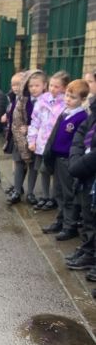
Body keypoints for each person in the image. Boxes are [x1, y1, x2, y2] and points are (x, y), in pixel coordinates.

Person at [42, 79, 89, 240]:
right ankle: (60, 221)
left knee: (69, 194)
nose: (68, 99)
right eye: (67, 95)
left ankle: (70, 226)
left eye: (73, 97)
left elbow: (79, 142)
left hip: (68, 160)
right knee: (58, 192)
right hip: (57, 158)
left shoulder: (82, 117)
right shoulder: (65, 113)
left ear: (83, 100)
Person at [28, 70, 69, 210]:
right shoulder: (42, 100)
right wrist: (32, 140)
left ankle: (54, 198)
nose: (52, 89)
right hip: (42, 143)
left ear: (64, 87)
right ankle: (45, 196)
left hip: (56, 144)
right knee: (43, 170)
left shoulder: (66, 103)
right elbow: (35, 121)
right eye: (51, 85)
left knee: (56, 173)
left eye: (57, 86)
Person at [68, 92, 96, 278]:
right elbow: (81, 133)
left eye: (91, 81)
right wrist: (77, 159)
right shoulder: (93, 109)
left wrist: (79, 164)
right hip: (85, 169)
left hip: (90, 168)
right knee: (87, 214)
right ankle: (88, 251)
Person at [9, 70, 46, 204]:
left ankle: (30, 193)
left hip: (37, 139)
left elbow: (47, 122)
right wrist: (21, 132)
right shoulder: (23, 100)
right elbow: (16, 118)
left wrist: (30, 128)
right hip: (21, 138)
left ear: (44, 85)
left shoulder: (47, 102)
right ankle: (17, 191)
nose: (33, 89)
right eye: (31, 86)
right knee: (19, 163)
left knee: (33, 166)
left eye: (36, 86)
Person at [2, 72, 24, 194]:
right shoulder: (12, 96)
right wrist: (6, 115)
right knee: (15, 160)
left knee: (20, 161)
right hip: (11, 132)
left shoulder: (24, 98)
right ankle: (16, 184)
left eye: (18, 84)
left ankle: (18, 186)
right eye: (13, 84)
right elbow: (11, 110)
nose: (15, 87)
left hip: (21, 134)